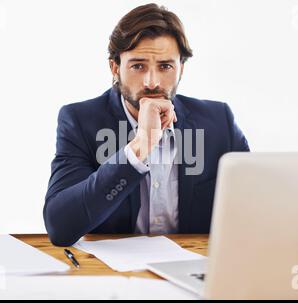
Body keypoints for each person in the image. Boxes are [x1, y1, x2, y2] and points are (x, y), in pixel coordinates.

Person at [43, 3, 249, 246]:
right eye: (138, 66)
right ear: (115, 67)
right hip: (114, 275)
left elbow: (256, 206)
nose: (152, 82)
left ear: (181, 68)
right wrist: (139, 148)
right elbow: (60, 226)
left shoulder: (218, 121)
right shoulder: (79, 120)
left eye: (165, 66)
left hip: (195, 269)